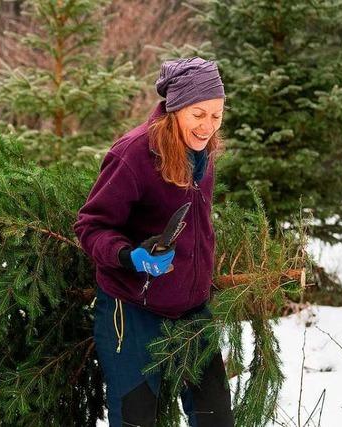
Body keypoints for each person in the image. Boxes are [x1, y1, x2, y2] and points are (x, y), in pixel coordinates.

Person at [74, 58, 234, 427]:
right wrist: (132, 257)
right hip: (132, 310)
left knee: (216, 418)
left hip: (192, 309)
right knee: (136, 419)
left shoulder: (202, 152)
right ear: (175, 108)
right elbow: (91, 226)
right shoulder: (133, 154)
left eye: (216, 115)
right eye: (198, 113)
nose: (208, 126)